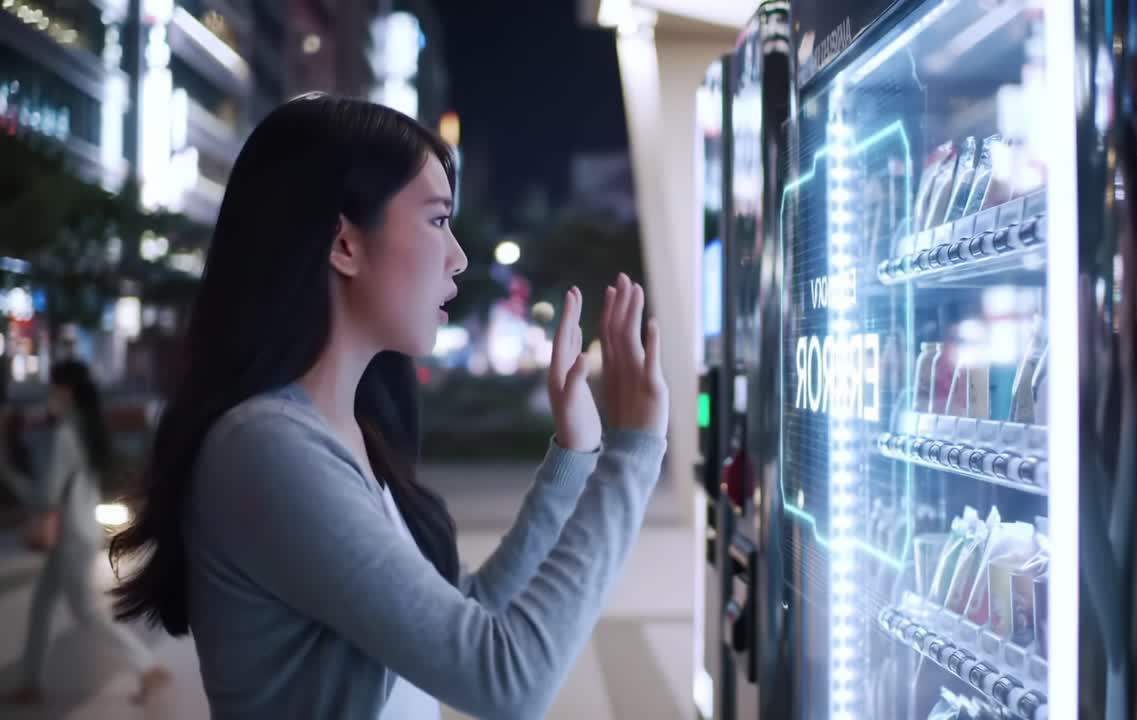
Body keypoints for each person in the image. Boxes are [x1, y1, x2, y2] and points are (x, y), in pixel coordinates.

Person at [107, 93, 669, 720]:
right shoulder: (264, 448)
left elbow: (470, 615)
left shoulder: (340, 434)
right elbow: (509, 680)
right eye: (436, 221)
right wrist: (635, 453)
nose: (458, 256)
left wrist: (575, 455)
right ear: (343, 242)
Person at [2, 360, 171, 705]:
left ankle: (147, 665)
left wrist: (7, 471)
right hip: (78, 530)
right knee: (41, 606)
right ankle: (30, 682)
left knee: (85, 612)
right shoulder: (86, 428)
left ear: (67, 390)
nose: (50, 394)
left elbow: (47, 494)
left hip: (72, 537)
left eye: (54, 387)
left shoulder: (66, 433)